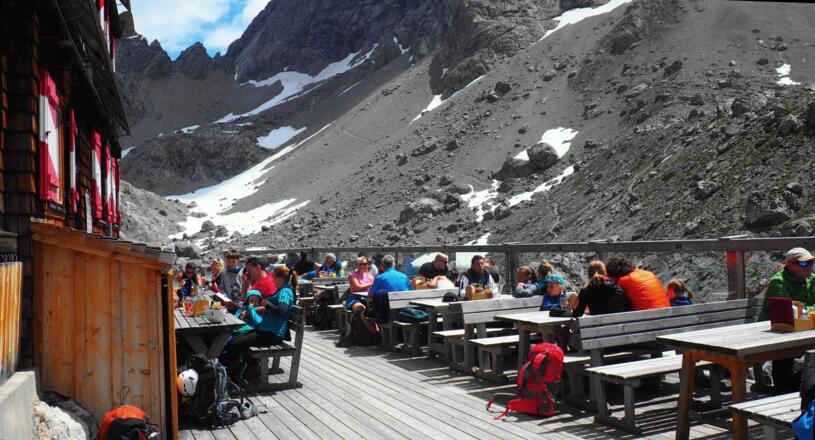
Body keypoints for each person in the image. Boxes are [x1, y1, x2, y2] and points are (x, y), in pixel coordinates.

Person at [224, 266, 296, 383]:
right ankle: (238, 372)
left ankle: (234, 377)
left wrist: (267, 304)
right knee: (233, 341)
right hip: (266, 331)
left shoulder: (285, 292)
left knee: (235, 345)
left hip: (273, 334)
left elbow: (281, 310)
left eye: (274, 278)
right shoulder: (283, 290)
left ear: (280, 279)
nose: (272, 281)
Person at [758, 248, 815, 393]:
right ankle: (784, 389)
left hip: (801, 328)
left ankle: (795, 386)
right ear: (789, 265)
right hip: (774, 329)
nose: (808, 266)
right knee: (784, 350)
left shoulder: (811, 279)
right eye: (803, 264)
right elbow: (789, 310)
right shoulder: (779, 282)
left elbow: (799, 311)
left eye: (811, 262)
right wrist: (810, 310)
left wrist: (805, 310)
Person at [606, 257, 670, 311]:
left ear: (615, 275)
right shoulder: (649, 273)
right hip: (668, 315)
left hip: (647, 320)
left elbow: (616, 299)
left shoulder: (625, 280)